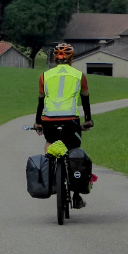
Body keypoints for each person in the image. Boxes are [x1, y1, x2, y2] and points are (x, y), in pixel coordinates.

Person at [36, 42, 94, 209]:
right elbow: (85, 99)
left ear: (55, 58)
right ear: (71, 59)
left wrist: (38, 122)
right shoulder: (79, 75)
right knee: (74, 149)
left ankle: (51, 177)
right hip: (71, 120)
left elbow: (41, 102)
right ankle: (76, 196)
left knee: (49, 143)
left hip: (49, 120)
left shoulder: (44, 76)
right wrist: (88, 120)